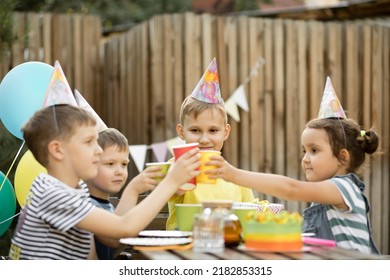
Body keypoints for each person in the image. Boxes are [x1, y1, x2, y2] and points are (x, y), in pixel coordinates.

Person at [8, 104, 200, 259]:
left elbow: (111, 239)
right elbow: (125, 227)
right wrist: (171, 182)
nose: (99, 150)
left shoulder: (72, 188)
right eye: (89, 142)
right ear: (58, 150)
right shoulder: (54, 194)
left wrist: (133, 188)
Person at [205, 116, 381, 254]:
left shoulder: (345, 188)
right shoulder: (324, 196)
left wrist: (233, 174)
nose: (305, 159)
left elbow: (291, 189)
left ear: (343, 157)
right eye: (304, 151)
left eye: (314, 150)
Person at [166, 58, 254, 230]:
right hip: (185, 248)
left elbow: (250, 211)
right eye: (195, 131)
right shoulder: (178, 166)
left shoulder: (235, 177)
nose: (204, 139)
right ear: (181, 132)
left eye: (213, 131)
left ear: (226, 132)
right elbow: (169, 191)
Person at [85, 127, 166, 260]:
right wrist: (133, 190)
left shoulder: (108, 206)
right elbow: (114, 239)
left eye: (124, 164)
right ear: (88, 164)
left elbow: (113, 251)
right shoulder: (86, 205)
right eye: (110, 164)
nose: (119, 171)